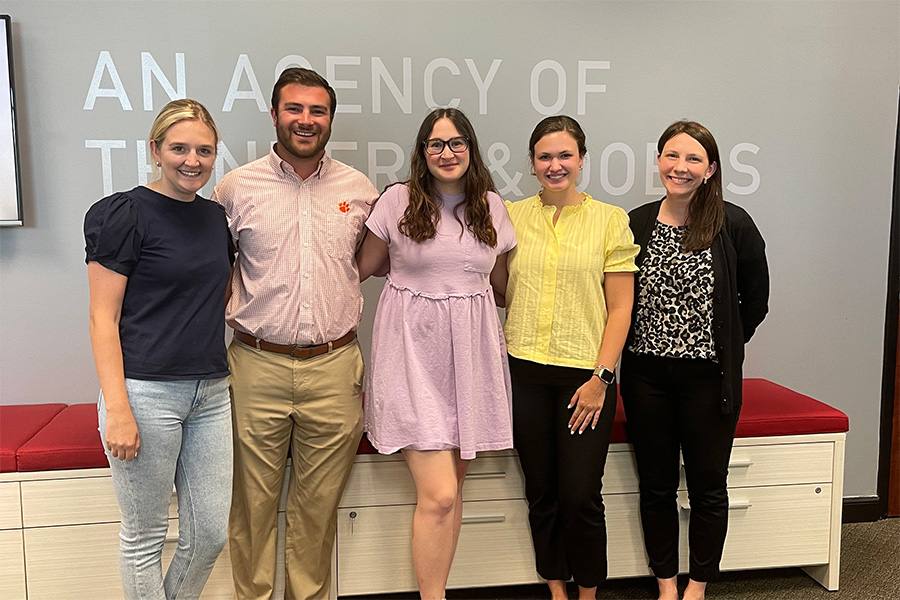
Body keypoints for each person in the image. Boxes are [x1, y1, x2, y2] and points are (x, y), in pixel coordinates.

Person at [213, 68, 378, 599]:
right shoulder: (235, 188)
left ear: (330, 118)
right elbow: (213, 272)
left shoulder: (359, 189)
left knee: (318, 510)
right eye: (295, 108)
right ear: (274, 114)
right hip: (255, 366)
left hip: (334, 367)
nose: (306, 120)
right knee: (251, 508)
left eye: (317, 111)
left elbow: (364, 264)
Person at [356, 107, 516, 599]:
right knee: (440, 494)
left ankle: (436, 592)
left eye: (456, 142)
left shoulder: (491, 207)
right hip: (410, 359)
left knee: (452, 494)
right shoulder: (397, 201)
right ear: (422, 152)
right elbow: (359, 269)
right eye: (436, 144)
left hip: (470, 360)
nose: (447, 153)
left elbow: (502, 288)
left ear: (471, 148)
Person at [84, 98, 233, 599]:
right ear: (155, 150)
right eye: (179, 149)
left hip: (211, 393)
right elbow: (102, 319)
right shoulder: (124, 214)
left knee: (209, 534)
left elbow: (214, 295)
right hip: (144, 394)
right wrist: (118, 409)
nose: (192, 160)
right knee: (145, 537)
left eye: (204, 151)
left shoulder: (215, 219)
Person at [620, 120, 769, 600]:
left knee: (708, 487)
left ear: (710, 169)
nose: (680, 167)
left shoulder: (733, 224)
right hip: (646, 379)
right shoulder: (637, 223)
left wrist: (724, 344)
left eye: (692, 159)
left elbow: (755, 301)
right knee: (656, 487)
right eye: (672, 155)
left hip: (709, 380)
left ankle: (698, 585)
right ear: (658, 160)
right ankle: (666, 583)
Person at [500, 116, 638, 600]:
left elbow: (621, 308)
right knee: (541, 491)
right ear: (532, 163)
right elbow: (498, 287)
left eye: (564, 155)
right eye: (545, 156)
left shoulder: (610, 219)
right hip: (524, 372)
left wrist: (602, 377)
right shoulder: (511, 216)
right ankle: (556, 588)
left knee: (580, 495)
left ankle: (589, 591)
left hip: (586, 378)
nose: (554, 165)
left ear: (581, 159)